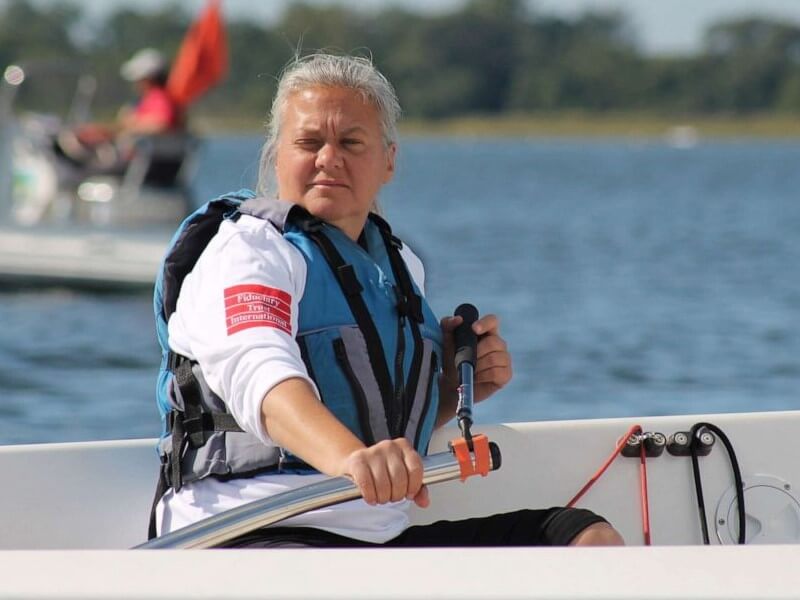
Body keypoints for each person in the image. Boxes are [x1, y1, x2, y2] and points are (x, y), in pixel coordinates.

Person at [153, 52, 624, 548]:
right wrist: (348, 460)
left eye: (351, 143)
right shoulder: (247, 251)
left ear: (388, 161)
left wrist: (454, 391)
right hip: (250, 529)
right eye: (308, 142)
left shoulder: (399, 266)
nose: (328, 158)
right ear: (276, 156)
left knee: (584, 539)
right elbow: (261, 376)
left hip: (377, 538)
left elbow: (378, 413)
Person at [56, 48, 184, 172]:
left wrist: (128, 126)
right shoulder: (151, 99)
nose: (136, 83)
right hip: (139, 159)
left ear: (148, 79)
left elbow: (161, 124)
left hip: (142, 162)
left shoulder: (160, 98)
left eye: (139, 79)